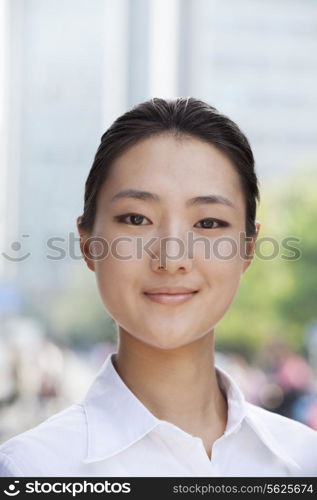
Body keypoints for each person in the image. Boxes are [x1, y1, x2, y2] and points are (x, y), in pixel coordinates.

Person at [0, 97, 316, 477]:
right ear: (88, 243)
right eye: (136, 218)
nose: (172, 257)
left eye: (209, 223)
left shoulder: (303, 462)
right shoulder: (33, 470)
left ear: (247, 248)